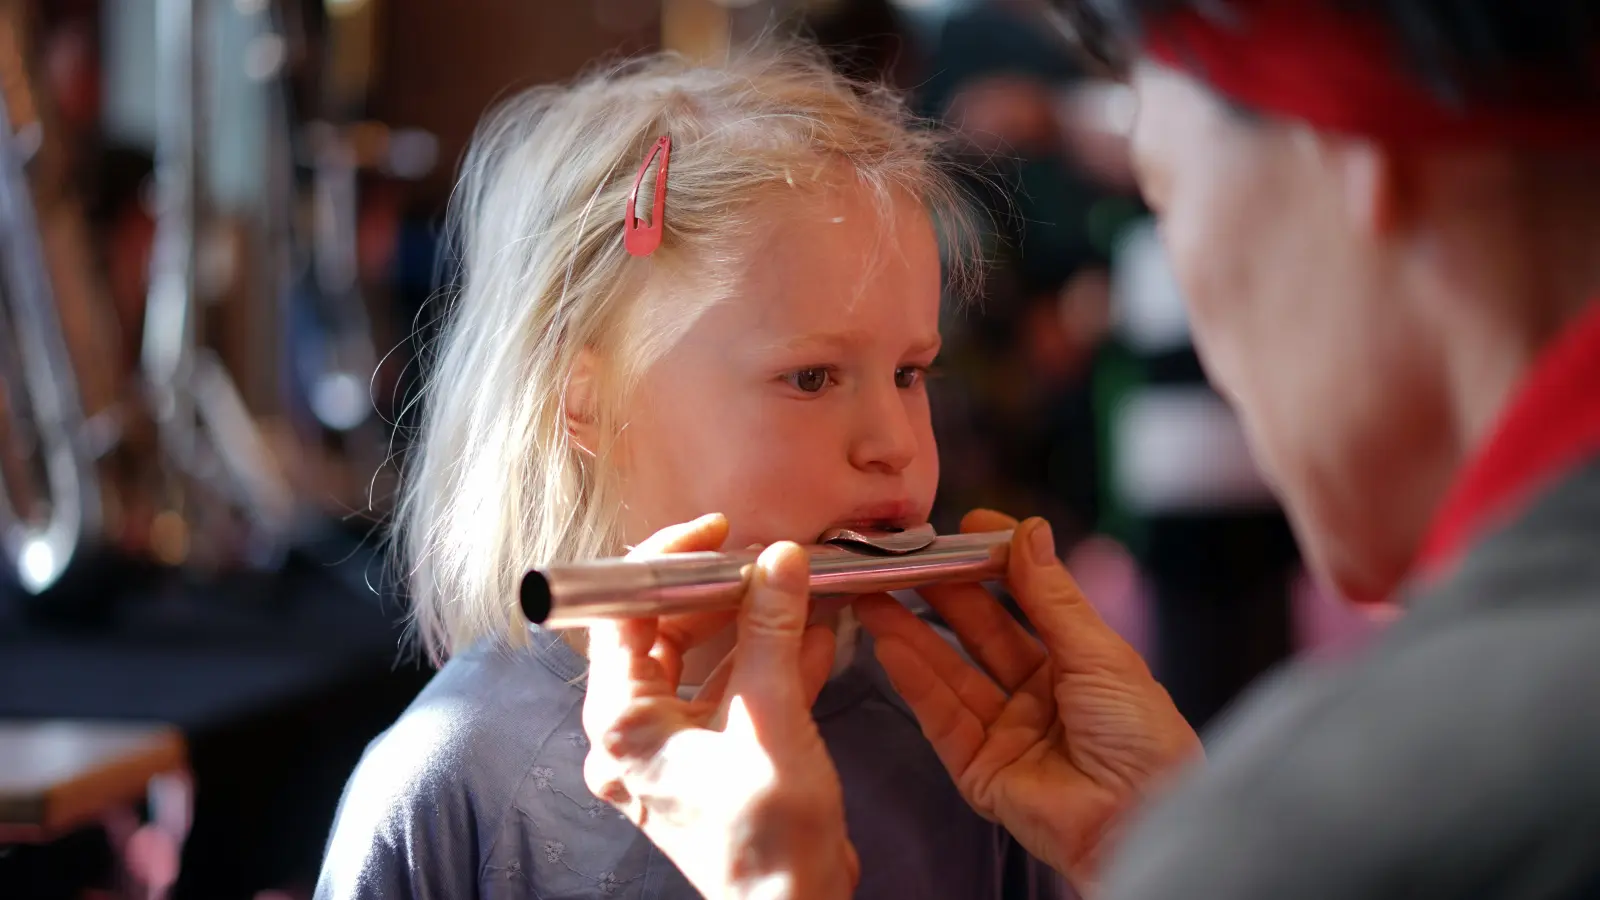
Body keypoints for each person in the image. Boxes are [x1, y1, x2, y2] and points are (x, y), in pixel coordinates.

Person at [580, 1, 1600, 897]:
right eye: (810, 377)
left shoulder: (1396, 824)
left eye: (1160, 195)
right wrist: (1145, 843)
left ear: (1354, 162)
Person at [314, 46, 1066, 899]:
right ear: (587, 402)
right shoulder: (457, 776)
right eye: (812, 377)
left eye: (909, 373)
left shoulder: (972, 734)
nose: (892, 442)